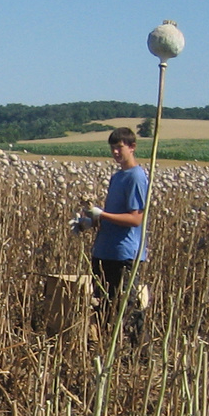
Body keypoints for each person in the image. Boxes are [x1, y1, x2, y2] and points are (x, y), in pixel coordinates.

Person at [83, 127, 149, 338]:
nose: (115, 153)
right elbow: (113, 215)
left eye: (120, 147)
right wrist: (89, 221)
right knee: (103, 305)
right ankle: (106, 345)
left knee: (127, 307)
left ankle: (137, 354)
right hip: (105, 251)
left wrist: (101, 215)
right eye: (113, 148)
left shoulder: (136, 177)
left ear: (132, 147)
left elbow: (136, 218)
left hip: (124, 254)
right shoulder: (118, 176)